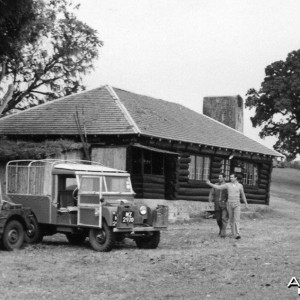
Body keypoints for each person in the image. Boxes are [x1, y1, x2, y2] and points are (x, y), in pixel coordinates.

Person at [206, 173, 249, 239]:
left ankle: (237, 234)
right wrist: (210, 184)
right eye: (230, 177)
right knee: (231, 219)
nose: (230, 178)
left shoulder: (240, 186)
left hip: (237, 204)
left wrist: (246, 203)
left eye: (232, 177)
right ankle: (232, 233)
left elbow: (243, 195)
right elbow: (218, 187)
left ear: (236, 178)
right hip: (229, 204)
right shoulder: (228, 185)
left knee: (237, 219)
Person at [208, 173, 228, 238]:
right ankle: (221, 229)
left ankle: (223, 233)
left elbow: (229, 195)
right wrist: (210, 201)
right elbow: (211, 194)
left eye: (220, 177)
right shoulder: (215, 185)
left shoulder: (227, 185)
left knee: (223, 218)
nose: (219, 178)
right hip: (216, 203)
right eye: (218, 177)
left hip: (224, 204)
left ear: (224, 178)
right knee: (218, 219)